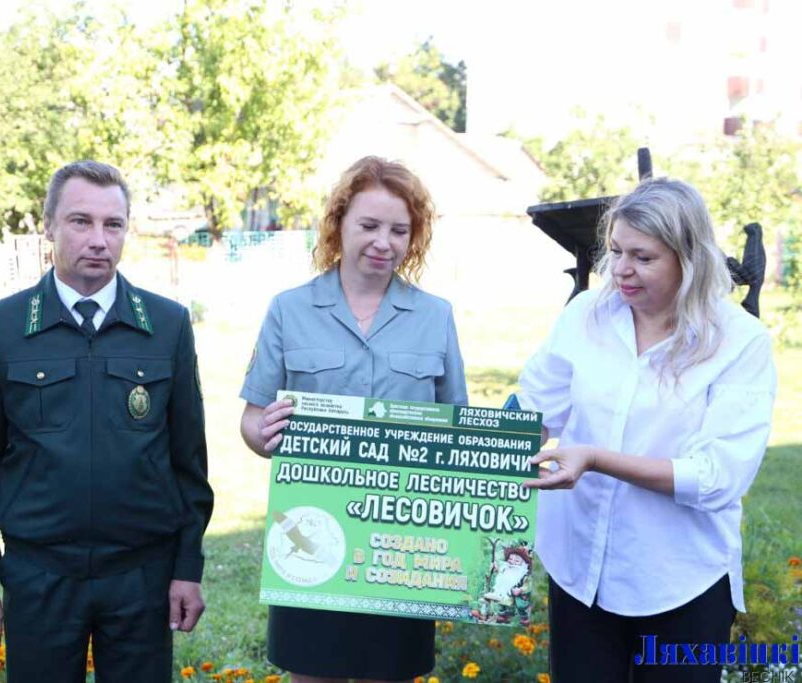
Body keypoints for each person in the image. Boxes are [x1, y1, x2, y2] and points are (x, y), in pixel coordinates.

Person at [0, 160, 213, 682]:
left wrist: (188, 568)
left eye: (113, 224)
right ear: (48, 226)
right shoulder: (1, 327)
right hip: (39, 577)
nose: (98, 239)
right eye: (80, 221)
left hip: (141, 577)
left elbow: (189, 464)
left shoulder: (167, 325)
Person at [518, 178, 776, 683]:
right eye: (615, 251)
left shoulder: (741, 342)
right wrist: (467, 445)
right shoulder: (585, 315)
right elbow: (533, 410)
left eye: (643, 257)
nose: (620, 269)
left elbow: (716, 478)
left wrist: (595, 459)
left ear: (688, 258)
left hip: (681, 581)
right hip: (580, 572)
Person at [240, 156, 468, 683]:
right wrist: (264, 433)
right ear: (338, 222)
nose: (383, 242)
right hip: (311, 535)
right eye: (369, 225)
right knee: (312, 672)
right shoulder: (288, 309)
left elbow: (456, 431)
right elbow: (252, 421)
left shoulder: (436, 316)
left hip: (402, 542)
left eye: (399, 230)